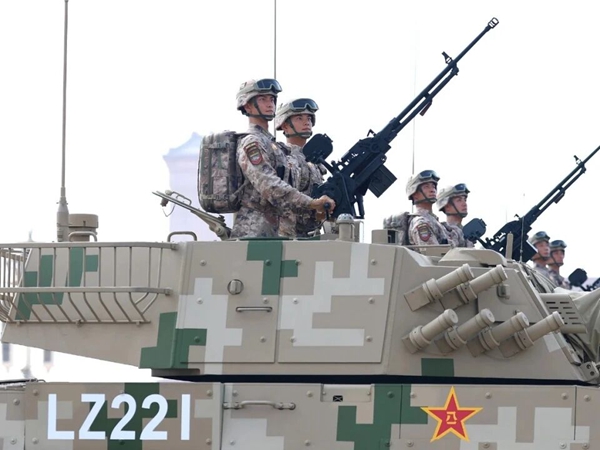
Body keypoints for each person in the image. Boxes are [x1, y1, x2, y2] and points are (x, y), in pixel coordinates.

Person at [232, 79, 335, 238]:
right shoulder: (252, 142)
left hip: (277, 233)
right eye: (263, 99)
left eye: (272, 99)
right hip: (254, 233)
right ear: (247, 106)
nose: (270, 104)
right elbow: (269, 185)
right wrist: (311, 203)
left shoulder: (276, 148)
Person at [274, 98, 326, 237]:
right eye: (299, 118)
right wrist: (314, 204)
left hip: (311, 234)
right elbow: (283, 196)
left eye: (309, 118)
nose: (306, 122)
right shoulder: (282, 157)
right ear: (285, 125)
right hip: (287, 236)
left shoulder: (315, 162)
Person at [405, 170, 451, 245]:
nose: (432, 190)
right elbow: (433, 251)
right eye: (426, 187)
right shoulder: (421, 223)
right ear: (414, 194)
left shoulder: (434, 221)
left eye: (433, 186)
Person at [436, 183, 474, 248]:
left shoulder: (464, 231)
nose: (464, 204)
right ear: (447, 207)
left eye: (465, 200)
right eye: (459, 200)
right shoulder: (444, 232)